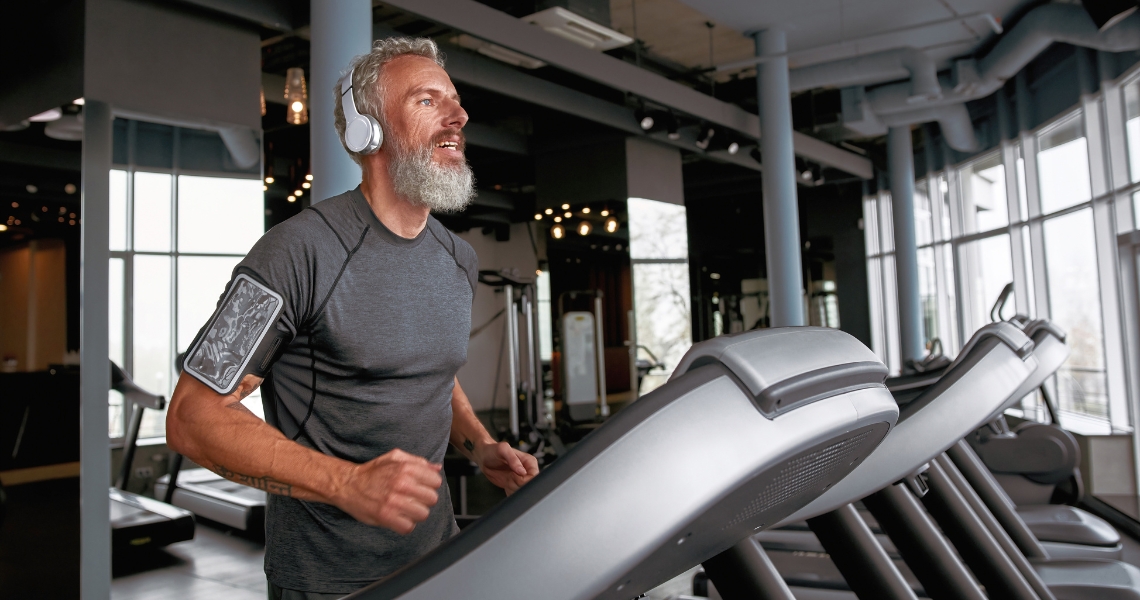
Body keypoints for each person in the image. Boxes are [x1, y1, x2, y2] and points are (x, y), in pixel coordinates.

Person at [166, 37, 539, 599]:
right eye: (427, 100)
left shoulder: (457, 258)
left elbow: (434, 374)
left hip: (438, 560)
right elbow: (192, 416)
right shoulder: (296, 252)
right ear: (369, 131)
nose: (459, 116)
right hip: (327, 581)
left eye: (455, 101)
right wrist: (345, 483)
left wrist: (482, 446)